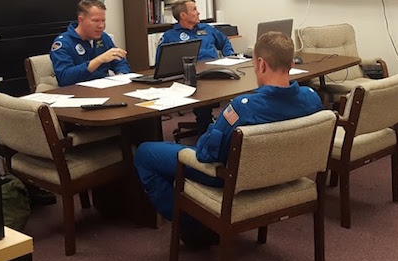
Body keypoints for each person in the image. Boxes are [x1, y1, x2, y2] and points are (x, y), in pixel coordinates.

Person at [133, 31, 323, 247]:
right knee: (169, 149)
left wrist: (215, 128)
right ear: (291, 62)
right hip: (283, 173)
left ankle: (194, 229)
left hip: (234, 178)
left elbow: (206, 155)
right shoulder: (311, 98)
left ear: (260, 65)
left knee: (145, 154)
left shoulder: (243, 109)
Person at [157, 0, 235, 129]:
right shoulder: (170, 36)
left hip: (214, 74)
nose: (198, 13)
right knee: (203, 103)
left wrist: (230, 57)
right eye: (194, 9)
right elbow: (161, 64)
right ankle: (206, 131)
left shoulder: (207, 29)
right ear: (183, 15)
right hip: (190, 80)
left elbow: (225, 42)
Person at [51, 0, 130, 86]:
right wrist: (98, 61)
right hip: (77, 93)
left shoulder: (103, 37)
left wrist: (122, 75)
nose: (101, 26)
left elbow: (120, 62)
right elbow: (64, 78)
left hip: (104, 89)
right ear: (81, 20)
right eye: (96, 21)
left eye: (103, 20)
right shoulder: (63, 43)